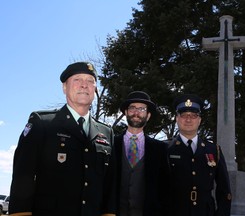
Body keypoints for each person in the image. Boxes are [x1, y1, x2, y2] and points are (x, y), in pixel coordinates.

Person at [9, 62, 116, 216]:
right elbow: (23, 176)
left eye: (90, 81)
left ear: (95, 89)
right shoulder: (42, 123)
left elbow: (109, 185)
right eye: (77, 79)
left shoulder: (106, 132)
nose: (84, 85)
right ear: (65, 87)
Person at [167, 93, 232, 216]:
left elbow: (224, 191)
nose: (188, 119)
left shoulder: (214, 150)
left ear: (199, 120)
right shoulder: (165, 149)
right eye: (184, 115)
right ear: (177, 119)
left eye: (193, 115)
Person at [114, 91, 169, 216]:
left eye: (142, 109)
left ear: (148, 115)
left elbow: (165, 189)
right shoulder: (111, 144)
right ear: (126, 112)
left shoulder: (160, 149)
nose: (136, 113)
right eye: (132, 108)